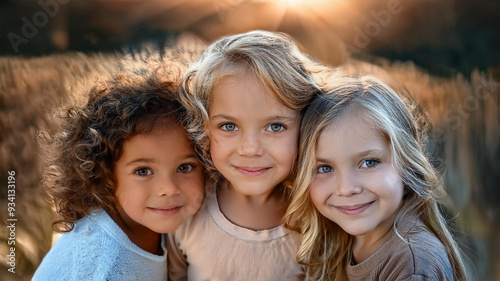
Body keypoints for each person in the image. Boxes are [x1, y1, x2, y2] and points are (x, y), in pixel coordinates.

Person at [167, 30, 322, 280]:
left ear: (305, 126)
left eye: (275, 126)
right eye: (229, 126)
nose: (250, 149)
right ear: (203, 127)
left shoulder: (318, 218)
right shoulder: (186, 210)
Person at [284, 74, 470, 280]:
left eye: (369, 162)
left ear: (407, 165)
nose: (346, 188)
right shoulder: (340, 241)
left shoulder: (412, 267)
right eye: (325, 168)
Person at [32, 69, 205, 281]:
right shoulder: (105, 268)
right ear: (104, 175)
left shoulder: (145, 220)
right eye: (143, 171)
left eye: (185, 167)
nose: (169, 188)